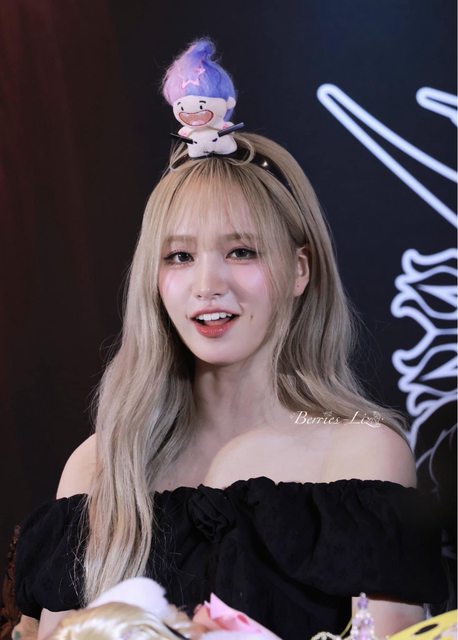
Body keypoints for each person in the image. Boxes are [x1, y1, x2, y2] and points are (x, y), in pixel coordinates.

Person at [14, 40, 447, 640]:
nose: (207, 285)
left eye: (241, 251)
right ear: (152, 279)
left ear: (299, 270)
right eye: (179, 256)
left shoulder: (360, 456)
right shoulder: (100, 465)